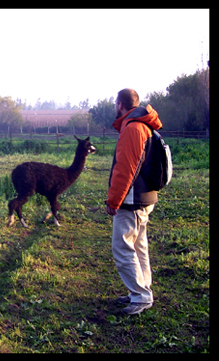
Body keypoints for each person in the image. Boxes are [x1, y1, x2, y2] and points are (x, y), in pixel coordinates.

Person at [105, 88, 163, 315]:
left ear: (120, 104)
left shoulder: (133, 128)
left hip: (132, 200)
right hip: (144, 196)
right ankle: (141, 291)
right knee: (139, 247)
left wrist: (114, 200)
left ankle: (140, 296)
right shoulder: (145, 125)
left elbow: (126, 169)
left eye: (115, 103)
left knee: (122, 246)